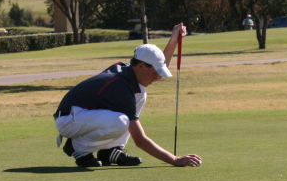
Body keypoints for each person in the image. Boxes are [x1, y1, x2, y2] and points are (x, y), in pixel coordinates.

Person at [53, 23, 202, 168]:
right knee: (121, 121)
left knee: (140, 93)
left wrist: (174, 39)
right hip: (69, 120)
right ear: (142, 66)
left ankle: (111, 150)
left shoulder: (128, 72)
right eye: (154, 74)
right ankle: (76, 147)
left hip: (82, 115)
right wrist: (174, 159)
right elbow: (140, 140)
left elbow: (158, 65)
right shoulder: (121, 87)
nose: (157, 78)